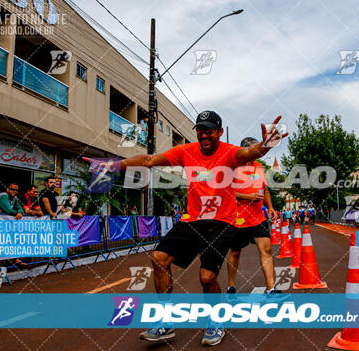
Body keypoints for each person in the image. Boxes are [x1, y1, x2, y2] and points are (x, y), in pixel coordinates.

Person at [84, 111, 286, 346]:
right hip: (192, 220)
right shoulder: (186, 151)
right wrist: (115, 165)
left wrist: (265, 146)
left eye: (209, 130)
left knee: (207, 277)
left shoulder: (230, 153)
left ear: (219, 132)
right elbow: (149, 160)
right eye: (200, 130)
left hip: (222, 221)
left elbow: (250, 152)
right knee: (159, 258)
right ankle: (165, 322)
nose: (204, 134)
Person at [226, 137, 278, 295]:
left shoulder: (259, 167)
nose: (256, 151)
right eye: (253, 149)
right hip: (238, 219)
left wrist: (270, 207)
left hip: (258, 218)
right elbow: (226, 192)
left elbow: (265, 190)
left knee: (266, 250)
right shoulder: (233, 168)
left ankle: (271, 289)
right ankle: (231, 286)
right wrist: (248, 197)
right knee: (235, 252)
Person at [0, 182, 27, 268]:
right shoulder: (3, 196)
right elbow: (9, 210)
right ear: (8, 189)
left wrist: (20, 212)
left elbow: (20, 208)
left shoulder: (14, 198)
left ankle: (13, 260)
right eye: (13, 189)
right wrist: (17, 213)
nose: (15, 191)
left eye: (16, 190)